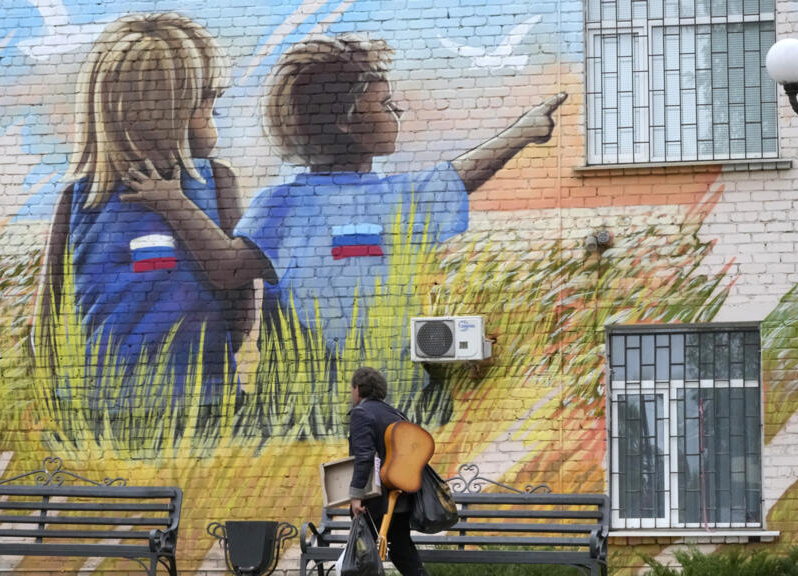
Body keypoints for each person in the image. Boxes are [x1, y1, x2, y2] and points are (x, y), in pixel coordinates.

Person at [232, 34, 568, 355]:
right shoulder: (282, 204)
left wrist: (524, 130)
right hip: (305, 402)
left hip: (381, 389)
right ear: (344, 121)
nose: (398, 112)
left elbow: (458, 175)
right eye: (385, 103)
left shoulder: (286, 203)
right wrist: (524, 131)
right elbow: (230, 269)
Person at [34, 12, 257, 409]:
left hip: (110, 401)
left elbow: (49, 314)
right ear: (170, 113)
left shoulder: (78, 199)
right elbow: (240, 302)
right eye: (209, 107)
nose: (213, 121)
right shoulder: (215, 182)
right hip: (197, 397)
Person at [348, 366, 427, 576]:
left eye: (352, 388)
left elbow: (364, 456)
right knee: (402, 551)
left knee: (364, 556)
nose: (351, 393)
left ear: (358, 388)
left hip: (375, 499)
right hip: (399, 496)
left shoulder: (360, 413)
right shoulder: (395, 413)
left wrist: (356, 497)